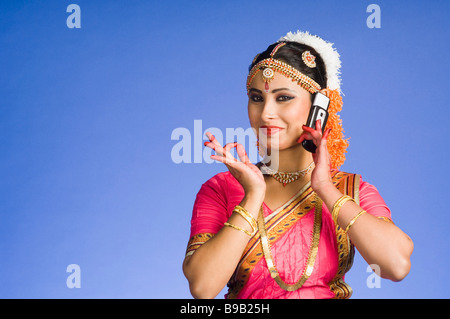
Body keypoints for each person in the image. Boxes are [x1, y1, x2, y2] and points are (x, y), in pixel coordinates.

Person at [182, 31, 413, 299]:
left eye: (283, 98)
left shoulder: (350, 189)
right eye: (257, 98)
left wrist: (325, 187)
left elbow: (396, 266)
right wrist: (253, 196)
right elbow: (202, 287)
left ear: (319, 107)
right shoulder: (221, 189)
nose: (266, 113)